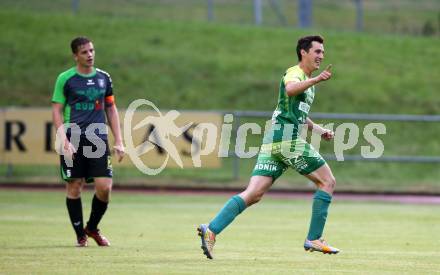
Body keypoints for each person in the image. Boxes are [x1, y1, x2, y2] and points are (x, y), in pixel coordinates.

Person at [197, 35, 339, 259]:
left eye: (323, 52)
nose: (322, 55)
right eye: (317, 51)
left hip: (273, 142)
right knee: (327, 181)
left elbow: (296, 113)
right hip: (286, 140)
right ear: (304, 52)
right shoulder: (296, 73)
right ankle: (314, 238)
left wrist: (319, 130)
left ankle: (211, 230)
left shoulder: (308, 84)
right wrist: (316, 80)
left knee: (253, 194)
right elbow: (291, 88)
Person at [52, 37, 125, 247]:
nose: (90, 55)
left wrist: (119, 140)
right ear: (75, 55)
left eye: (92, 50)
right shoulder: (65, 79)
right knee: (75, 186)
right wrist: (63, 138)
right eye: (84, 52)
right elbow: (56, 110)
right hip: (72, 135)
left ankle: (92, 228)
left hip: (97, 138)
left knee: (105, 187)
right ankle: (80, 235)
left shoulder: (104, 78)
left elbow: (110, 108)